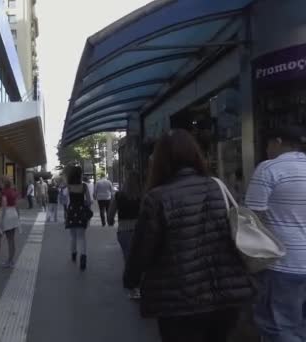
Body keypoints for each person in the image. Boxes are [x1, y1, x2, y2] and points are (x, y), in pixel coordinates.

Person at [124, 129, 255, 342]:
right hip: (227, 294)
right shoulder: (219, 186)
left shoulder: (157, 198)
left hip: (179, 300)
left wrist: (131, 279)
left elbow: (143, 250)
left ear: (159, 161)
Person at [245, 126, 306, 342]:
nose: (267, 149)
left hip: (283, 263)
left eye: (268, 144)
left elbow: (252, 217)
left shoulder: (269, 168)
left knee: (280, 326)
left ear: (278, 141)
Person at [107, 171, 141, 299]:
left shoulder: (118, 196)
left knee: (128, 258)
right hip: (139, 231)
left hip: (124, 231)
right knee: (139, 258)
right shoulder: (142, 196)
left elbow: (111, 213)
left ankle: (133, 288)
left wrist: (110, 221)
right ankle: (139, 285)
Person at [0, 177, 20, 268]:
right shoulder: (14, 192)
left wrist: (1, 220)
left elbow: (4, 205)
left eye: (1, 182)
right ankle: (10, 261)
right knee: (11, 240)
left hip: (5, 215)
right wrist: (18, 218)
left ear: (4, 183)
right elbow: (17, 205)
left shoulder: (4, 192)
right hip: (13, 214)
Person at [65, 166, 92, 271]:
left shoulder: (69, 187)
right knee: (82, 237)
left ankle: (73, 253)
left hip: (71, 212)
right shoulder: (84, 186)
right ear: (80, 174)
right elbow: (89, 201)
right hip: (81, 212)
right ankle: (83, 257)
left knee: (73, 236)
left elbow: (66, 201)